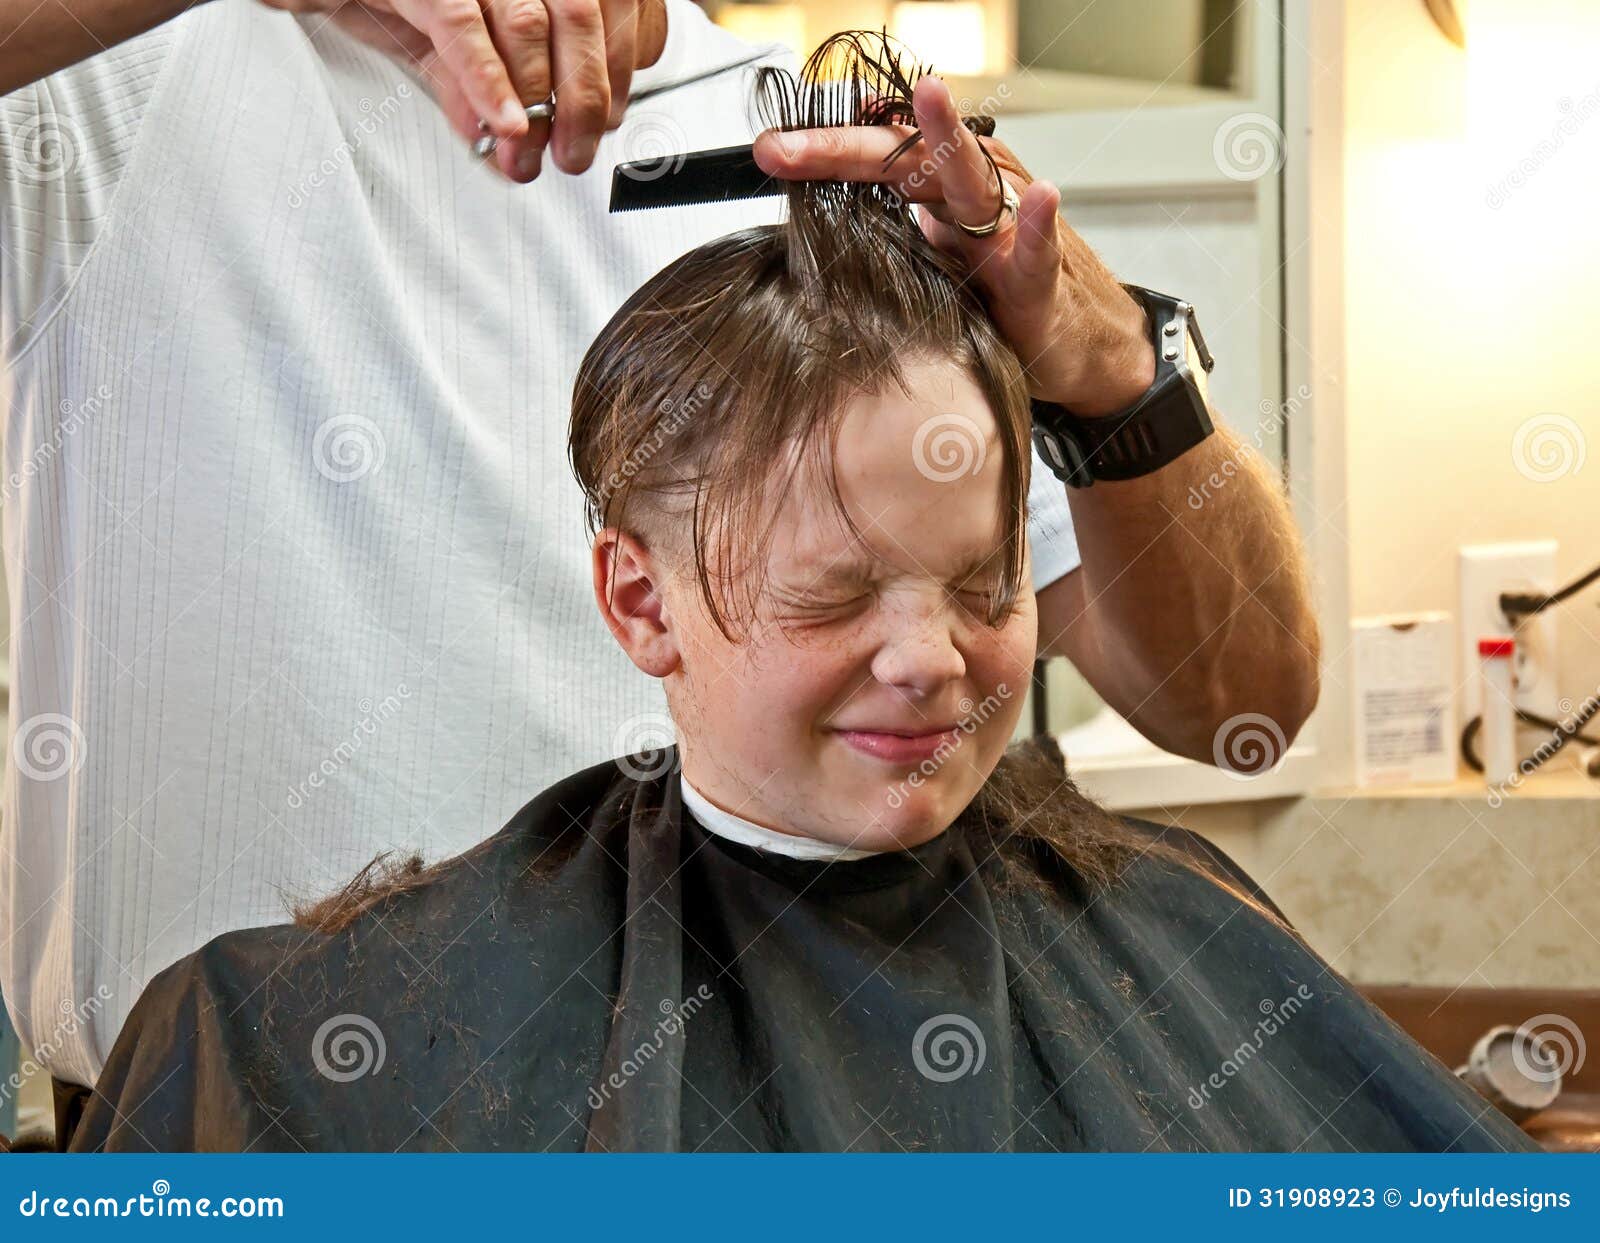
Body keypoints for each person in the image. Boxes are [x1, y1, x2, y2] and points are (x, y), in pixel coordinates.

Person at [65, 38, 1525, 1152]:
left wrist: (1109, 365)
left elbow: (1244, 700)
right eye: (832, 599)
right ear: (637, 606)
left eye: (978, 585)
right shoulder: (108, 87)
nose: (929, 664)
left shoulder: (817, 140)